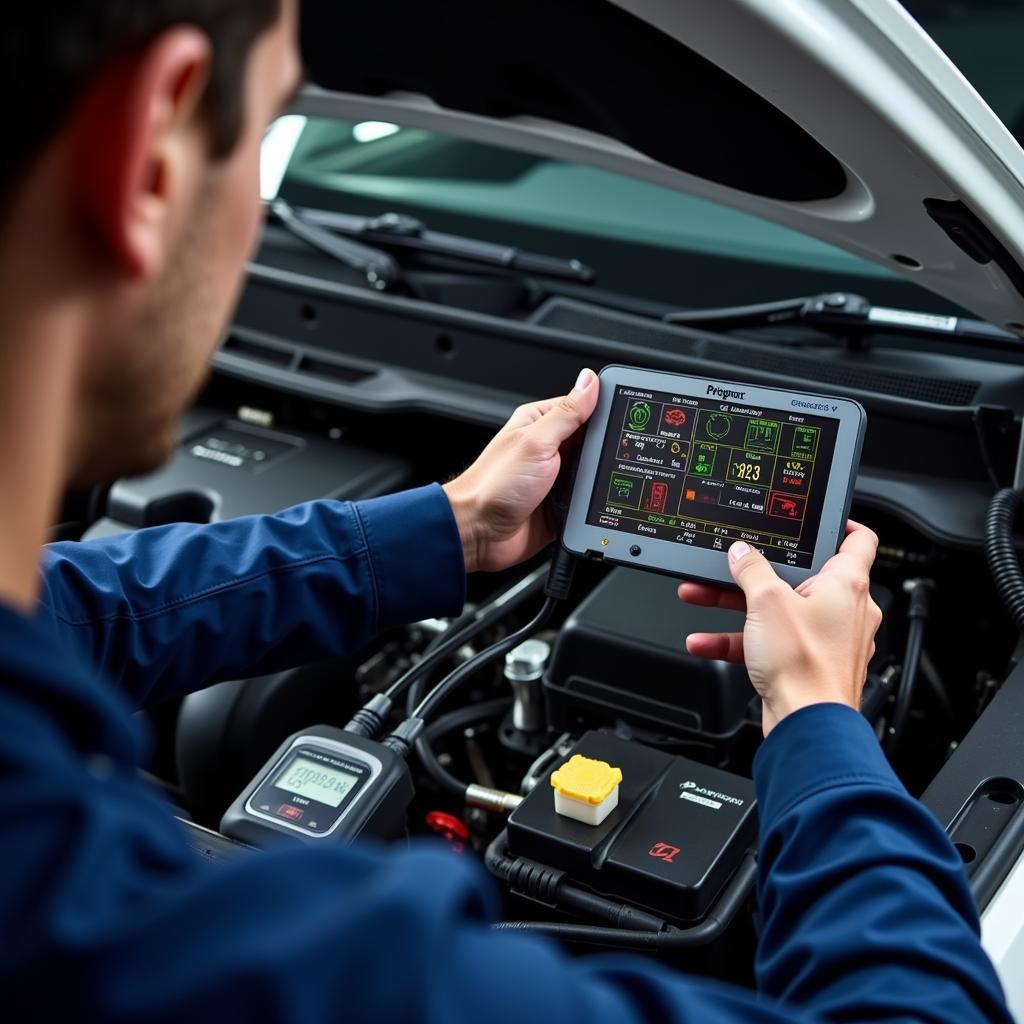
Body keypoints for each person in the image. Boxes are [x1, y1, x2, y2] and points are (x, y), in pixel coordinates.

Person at [0, 2, 1012, 1022]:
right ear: (151, 157)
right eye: (260, 134)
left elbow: (64, 614)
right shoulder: (231, 969)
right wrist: (818, 724)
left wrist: (451, 527)